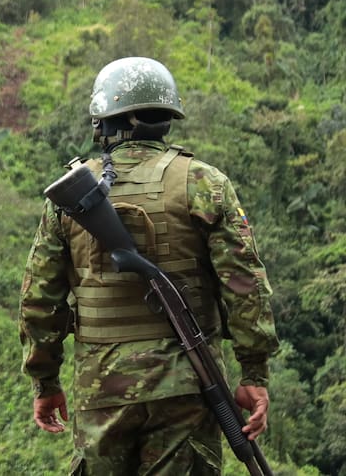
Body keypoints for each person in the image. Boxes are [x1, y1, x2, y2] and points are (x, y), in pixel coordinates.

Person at [19, 56, 279, 474]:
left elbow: (39, 300)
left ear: (102, 121)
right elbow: (245, 286)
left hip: (101, 390)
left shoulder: (68, 200)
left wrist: (45, 382)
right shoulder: (203, 183)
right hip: (187, 384)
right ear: (166, 119)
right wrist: (254, 373)